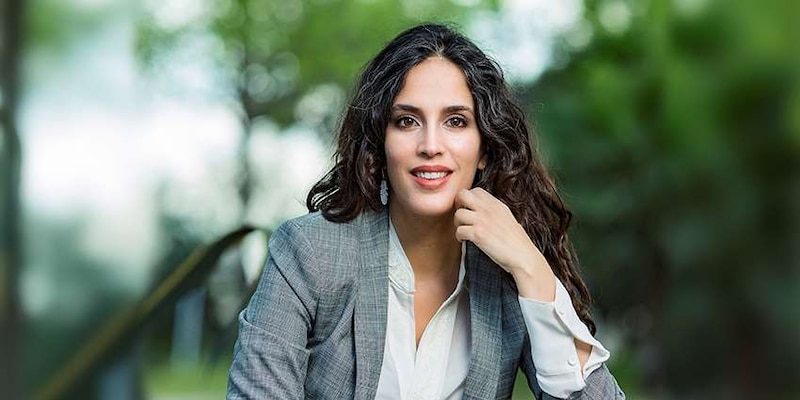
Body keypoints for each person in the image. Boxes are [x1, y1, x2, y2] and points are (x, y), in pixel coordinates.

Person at [227, 23, 625, 400]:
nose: (431, 144)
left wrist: (532, 269)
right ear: (380, 145)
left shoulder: (508, 279)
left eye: (455, 121)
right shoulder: (308, 253)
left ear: (484, 147)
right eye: (406, 121)